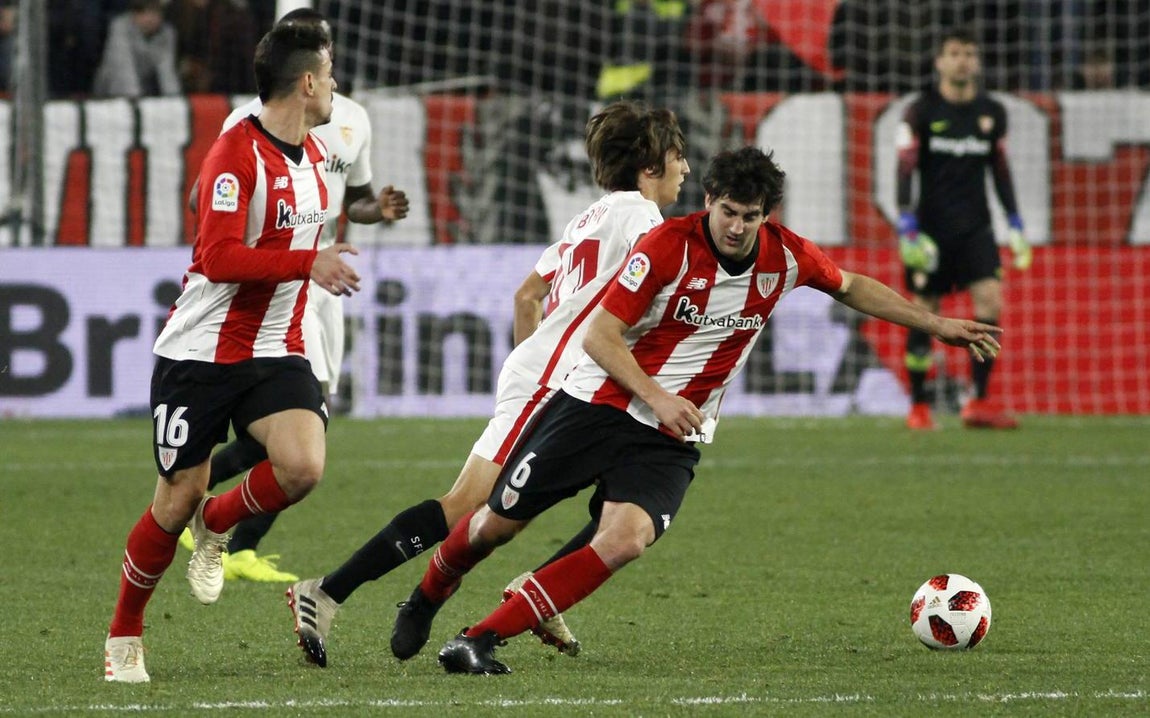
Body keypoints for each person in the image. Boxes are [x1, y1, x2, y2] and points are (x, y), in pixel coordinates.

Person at [386, 145, 1004, 675]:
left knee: (625, 539)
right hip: (598, 406)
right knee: (498, 525)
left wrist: (934, 323)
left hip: (673, 435)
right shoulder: (665, 246)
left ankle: (479, 638)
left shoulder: (785, 257)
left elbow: (849, 285)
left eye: (750, 216)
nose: (736, 227)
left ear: (768, 216)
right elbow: (600, 336)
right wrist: (657, 395)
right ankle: (429, 592)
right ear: (709, 198)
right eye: (728, 212)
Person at [285, 100, 690, 668]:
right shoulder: (643, 222)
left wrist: (533, 358)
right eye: (677, 157)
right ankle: (327, 591)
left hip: (561, 373)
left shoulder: (591, 216)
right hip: (557, 379)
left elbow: (528, 295)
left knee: (622, 500)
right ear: (649, 166)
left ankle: (541, 589)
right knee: (468, 507)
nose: (686, 170)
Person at [102, 20, 357, 683]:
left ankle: (217, 523)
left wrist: (364, 218)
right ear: (306, 82)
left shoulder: (320, 154)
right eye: (328, 74)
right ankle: (124, 634)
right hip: (201, 355)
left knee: (301, 468)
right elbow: (214, 255)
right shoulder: (237, 152)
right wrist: (309, 263)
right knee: (172, 500)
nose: (335, 84)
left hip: (278, 346)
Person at [178, 8, 410, 585]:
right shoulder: (249, 123)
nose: (326, 64)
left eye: (326, 49)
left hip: (318, 283)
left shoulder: (351, 120)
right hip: (262, 287)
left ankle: (225, 531)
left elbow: (348, 199)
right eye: (317, 54)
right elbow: (205, 207)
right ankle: (210, 523)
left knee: (310, 423)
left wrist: (372, 212)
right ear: (300, 70)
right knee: (289, 431)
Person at [895, 27, 1031, 431]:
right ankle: (919, 405)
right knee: (923, 313)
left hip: (977, 228)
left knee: (990, 304)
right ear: (939, 61)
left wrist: (1016, 222)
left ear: (977, 61)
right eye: (954, 53)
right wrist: (907, 225)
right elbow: (904, 168)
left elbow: (1001, 171)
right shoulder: (920, 111)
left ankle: (979, 401)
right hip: (932, 230)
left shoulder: (992, 113)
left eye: (969, 53)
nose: (962, 60)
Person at [92, 0, 182, 98]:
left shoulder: (167, 32)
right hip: (111, 91)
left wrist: (175, 101)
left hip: (145, 92)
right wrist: (136, 104)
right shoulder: (120, 26)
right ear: (133, 14)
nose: (150, 18)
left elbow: (167, 72)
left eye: (155, 12)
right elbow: (124, 70)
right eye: (143, 12)